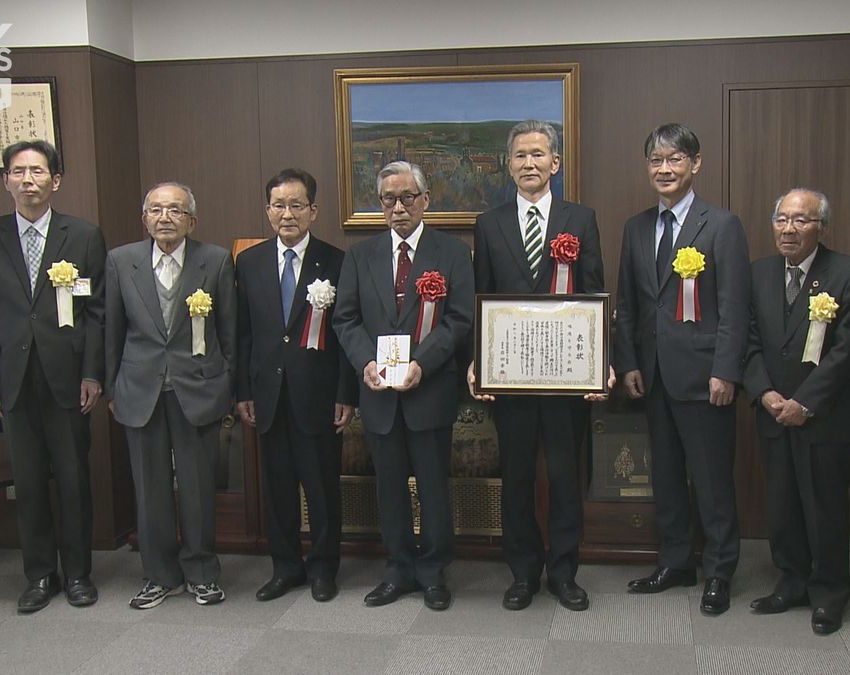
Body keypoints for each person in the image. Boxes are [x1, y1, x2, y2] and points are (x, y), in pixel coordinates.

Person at [469, 120, 612, 612]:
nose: (529, 163)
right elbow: (480, 298)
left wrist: (601, 363)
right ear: (508, 165)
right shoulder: (489, 224)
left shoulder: (581, 219)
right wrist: (477, 362)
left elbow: (594, 293)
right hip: (510, 376)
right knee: (517, 480)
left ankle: (565, 573)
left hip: (566, 376)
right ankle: (523, 573)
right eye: (520, 155)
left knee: (566, 479)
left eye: (538, 154)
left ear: (556, 163)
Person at [0, 140, 105, 613]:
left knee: (73, 479)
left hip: (68, 379)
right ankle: (40, 575)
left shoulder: (82, 235)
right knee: (27, 482)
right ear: (5, 180)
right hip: (12, 379)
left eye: (37, 171)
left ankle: (79, 573)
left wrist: (92, 373)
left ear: (55, 180)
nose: (28, 180)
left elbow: (97, 313)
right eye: (18, 172)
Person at [613, 123, 749, 615]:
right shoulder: (635, 226)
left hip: (705, 376)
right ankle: (675, 561)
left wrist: (726, 371)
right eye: (655, 161)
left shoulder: (722, 225)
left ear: (696, 164)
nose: (664, 169)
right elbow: (628, 304)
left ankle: (718, 571)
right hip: (651, 376)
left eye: (674, 159)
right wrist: (627, 362)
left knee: (712, 482)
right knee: (666, 477)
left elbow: (735, 307)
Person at [333, 161, 474, 611]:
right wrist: (365, 362)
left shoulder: (452, 253)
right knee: (389, 489)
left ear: (425, 200)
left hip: (428, 391)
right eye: (388, 199)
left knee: (433, 487)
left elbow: (459, 320)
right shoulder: (360, 255)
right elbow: (346, 319)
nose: (398, 207)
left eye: (407, 197)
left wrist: (423, 364)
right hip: (378, 394)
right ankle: (396, 569)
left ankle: (433, 572)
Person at [742, 189, 850, 635]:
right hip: (773, 412)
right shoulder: (758, 273)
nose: (789, 229)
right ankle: (791, 581)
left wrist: (805, 403)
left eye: (801, 221)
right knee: (782, 505)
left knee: (825, 507)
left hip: (826, 416)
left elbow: (848, 351)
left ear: (822, 228)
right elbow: (750, 339)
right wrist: (764, 393)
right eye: (781, 220)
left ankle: (830, 592)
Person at [105, 182, 234, 608]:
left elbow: (230, 332)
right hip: (140, 389)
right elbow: (112, 332)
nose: (165, 217)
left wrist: (227, 385)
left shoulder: (214, 261)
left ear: (191, 221)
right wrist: (111, 387)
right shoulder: (121, 261)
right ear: (144, 219)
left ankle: (201, 571)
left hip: (196, 388)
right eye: (156, 210)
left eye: (175, 210)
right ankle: (160, 574)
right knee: (150, 487)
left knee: (198, 486)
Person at [236, 169, 357, 603]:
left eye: (296, 205)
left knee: (322, 488)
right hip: (268, 397)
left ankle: (324, 569)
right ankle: (286, 567)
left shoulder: (338, 261)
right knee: (278, 489)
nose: (287, 214)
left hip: (319, 396)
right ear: (268, 210)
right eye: (279, 205)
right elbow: (242, 333)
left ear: (313, 210)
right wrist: (242, 392)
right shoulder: (248, 262)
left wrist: (347, 393)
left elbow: (346, 334)